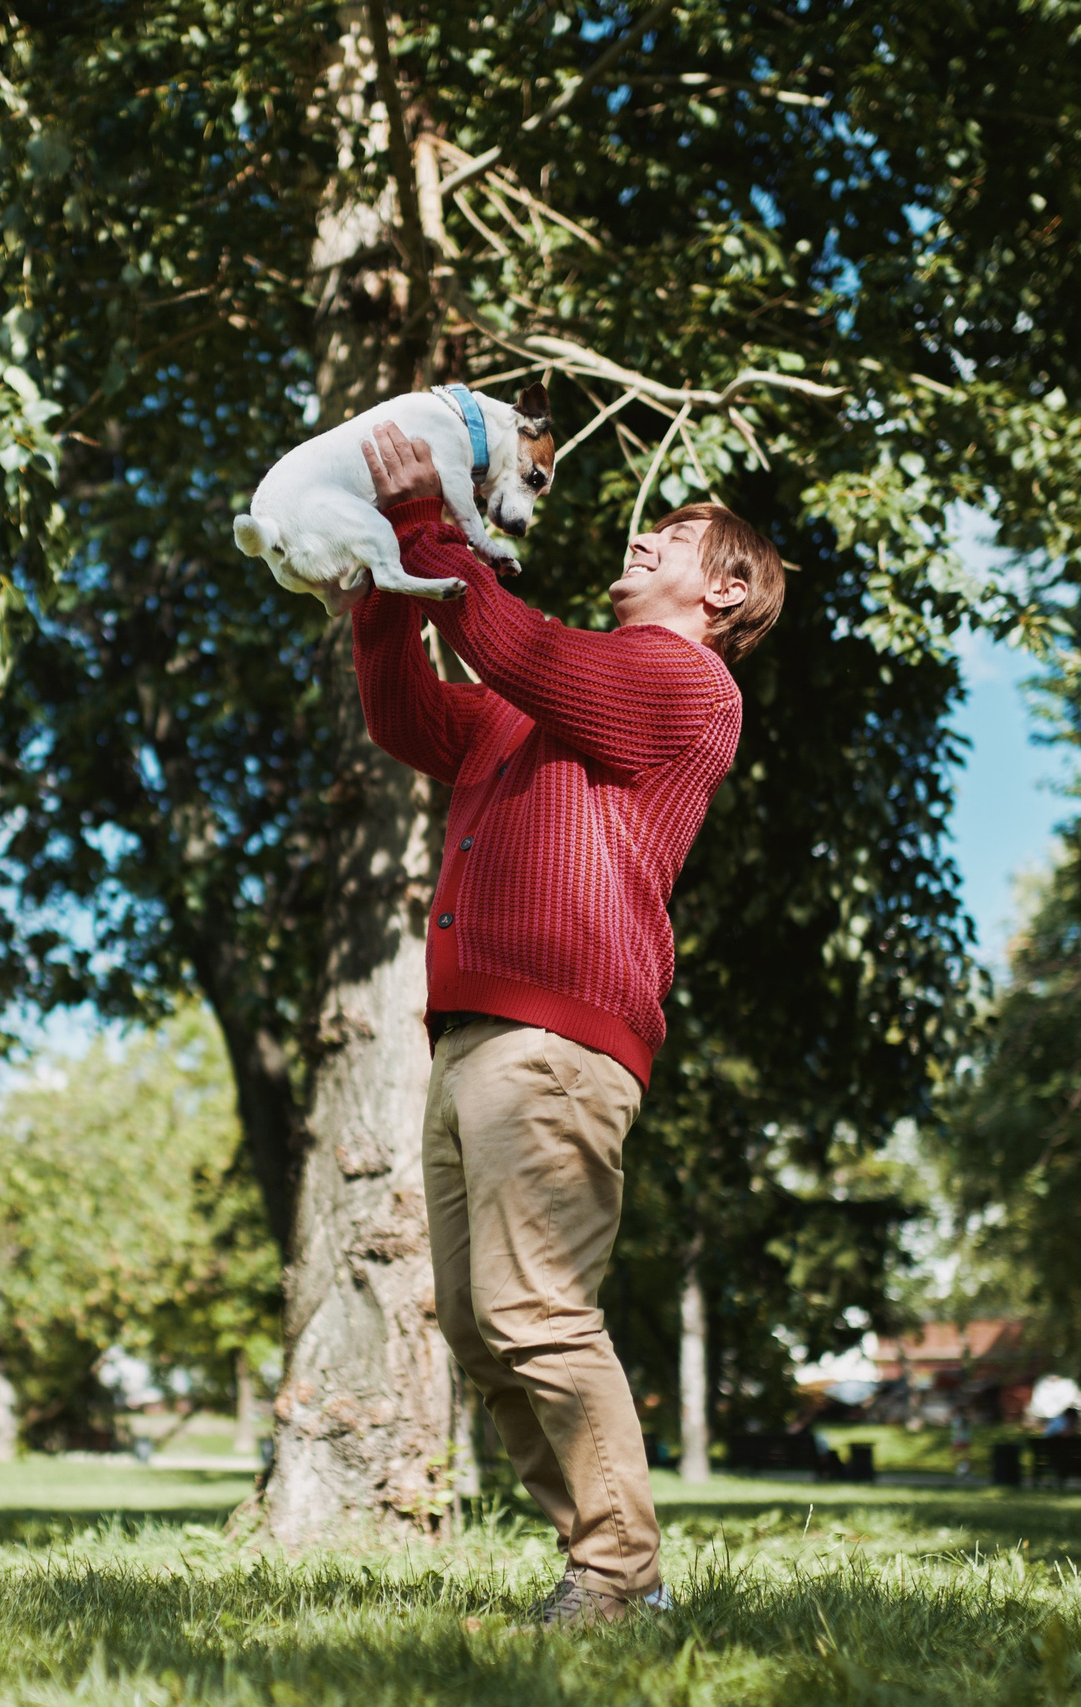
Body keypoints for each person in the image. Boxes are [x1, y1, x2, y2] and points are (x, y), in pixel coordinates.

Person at [352, 421, 782, 1630]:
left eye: (677, 535)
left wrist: (432, 531)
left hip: (555, 1042)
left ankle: (616, 1580)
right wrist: (384, 570)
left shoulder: (685, 684)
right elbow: (404, 714)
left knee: (536, 1310)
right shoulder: (531, 716)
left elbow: (527, 649)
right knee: (488, 1334)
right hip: (473, 1039)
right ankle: (600, 1566)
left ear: (725, 587)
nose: (642, 534)